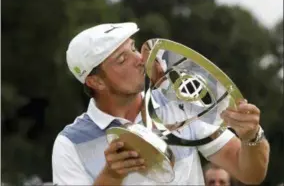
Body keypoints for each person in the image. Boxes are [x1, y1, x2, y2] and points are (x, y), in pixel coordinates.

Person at [52, 22, 270, 185]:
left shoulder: (179, 106)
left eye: (134, 48)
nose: (139, 59)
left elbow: (251, 174)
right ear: (95, 81)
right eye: (121, 59)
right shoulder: (70, 143)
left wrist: (252, 137)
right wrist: (111, 175)